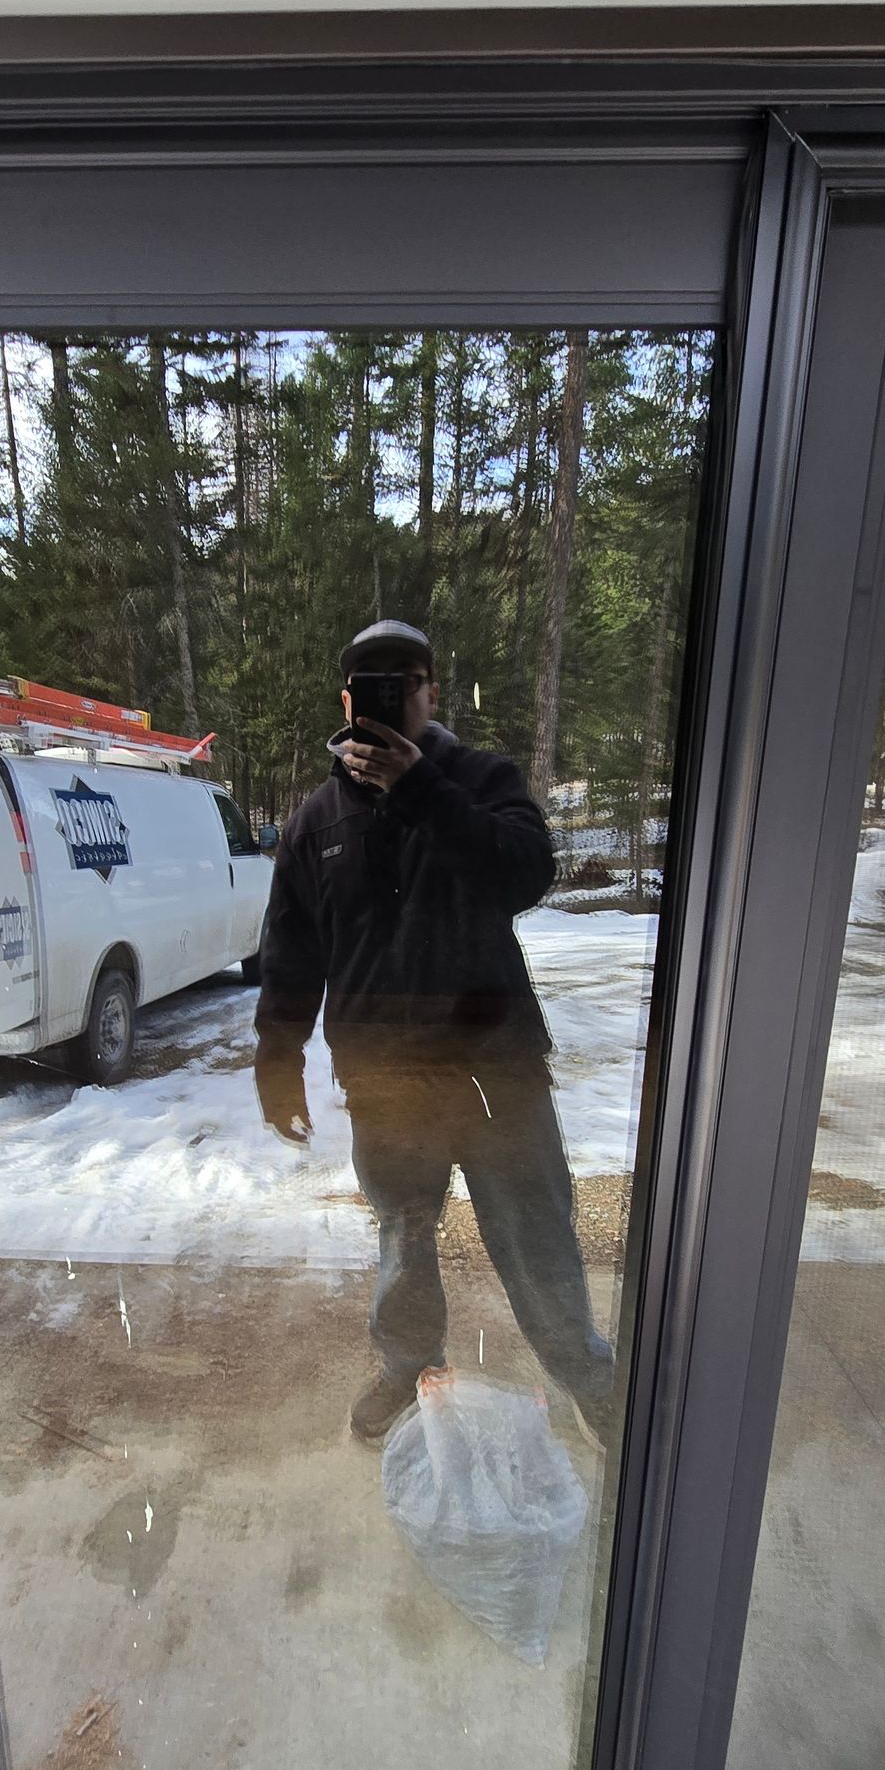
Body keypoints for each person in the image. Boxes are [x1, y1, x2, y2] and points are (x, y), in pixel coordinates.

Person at [253, 620, 619, 1446]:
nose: (388, 693)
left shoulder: (483, 781)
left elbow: (525, 874)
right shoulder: (317, 820)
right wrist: (277, 1060)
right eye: (369, 682)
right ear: (346, 699)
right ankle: (409, 1374)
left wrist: (420, 789)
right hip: (386, 1087)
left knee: (537, 1242)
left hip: (498, 1078)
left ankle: (589, 1378)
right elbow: (290, 950)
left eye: (404, 679)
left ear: (430, 692)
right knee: (405, 1245)